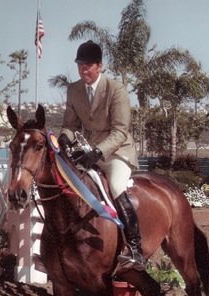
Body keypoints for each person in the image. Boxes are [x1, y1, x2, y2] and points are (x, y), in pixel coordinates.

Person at [58, 40, 145, 272]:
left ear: (100, 66)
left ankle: (136, 248)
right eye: (80, 66)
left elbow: (120, 130)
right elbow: (69, 124)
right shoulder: (74, 90)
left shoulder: (116, 90)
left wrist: (98, 152)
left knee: (116, 186)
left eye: (87, 66)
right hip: (89, 151)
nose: (83, 71)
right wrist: (65, 137)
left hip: (117, 151)